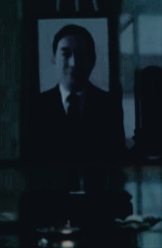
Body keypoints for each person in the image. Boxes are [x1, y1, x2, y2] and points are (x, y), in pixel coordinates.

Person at [25, 24, 125, 164]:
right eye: (66, 54)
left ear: (92, 60)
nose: (73, 63)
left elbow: (116, 158)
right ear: (54, 58)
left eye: (81, 54)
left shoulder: (109, 105)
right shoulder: (38, 106)